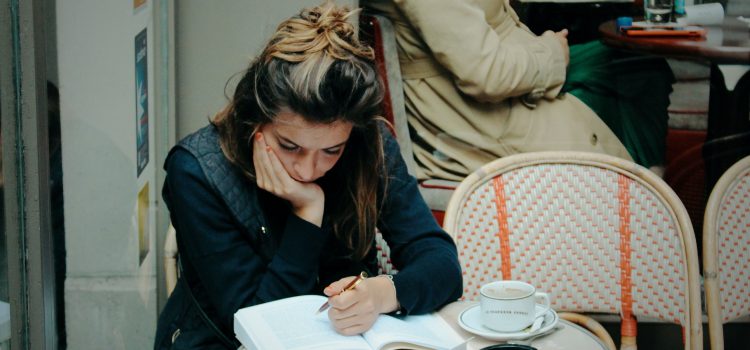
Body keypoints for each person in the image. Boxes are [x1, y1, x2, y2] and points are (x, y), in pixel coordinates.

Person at [153, 2, 463, 349]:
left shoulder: (369, 145)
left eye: (332, 150)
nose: (307, 170)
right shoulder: (196, 171)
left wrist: (384, 293)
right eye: (289, 146)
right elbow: (256, 323)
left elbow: (442, 266)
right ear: (256, 119)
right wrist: (307, 213)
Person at [364, 0, 674, 181]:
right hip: (479, 116)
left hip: (516, 66)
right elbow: (485, 73)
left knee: (638, 67)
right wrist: (551, 55)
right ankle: (637, 202)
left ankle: (645, 185)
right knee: (630, 73)